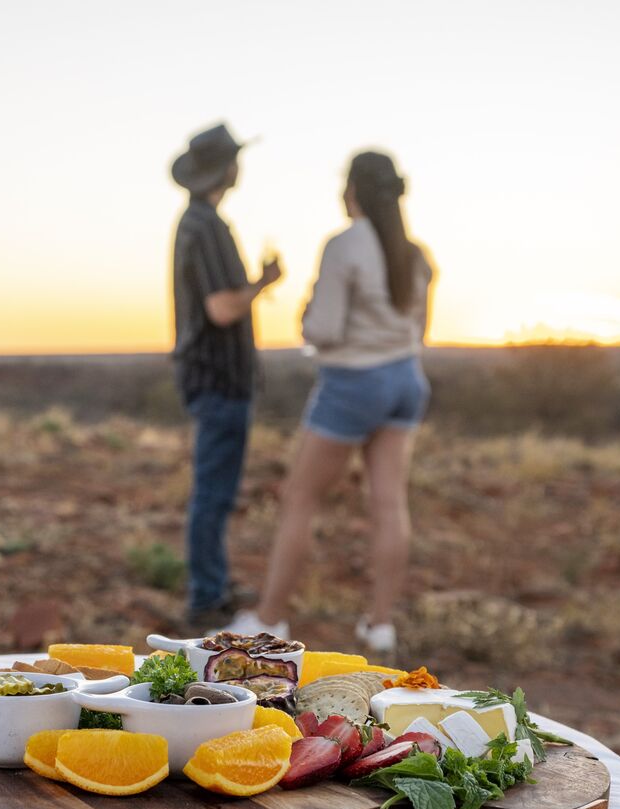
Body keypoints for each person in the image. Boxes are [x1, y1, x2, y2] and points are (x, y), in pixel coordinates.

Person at [225, 150, 432, 656]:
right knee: (389, 503)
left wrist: (306, 315)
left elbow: (323, 328)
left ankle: (270, 618)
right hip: (406, 379)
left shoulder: (345, 245)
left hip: (353, 383)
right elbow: (419, 330)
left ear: (354, 190)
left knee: (301, 498)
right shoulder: (417, 253)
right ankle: (379, 625)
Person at [169, 122, 282, 629]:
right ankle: (206, 598)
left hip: (213, 377)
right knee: (213, 493)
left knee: (214, 490)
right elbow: (221, 308)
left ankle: (212, 585)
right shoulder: (206, 226)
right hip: (218, 378)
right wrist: (263, 283)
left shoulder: (199, 221)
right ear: (224, 168)